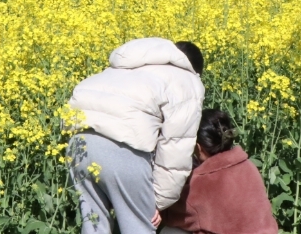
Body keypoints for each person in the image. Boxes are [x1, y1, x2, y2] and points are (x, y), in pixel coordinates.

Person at [65, 38, 205, 234]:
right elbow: (176, 148)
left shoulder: (129, 65)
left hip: (78, 144)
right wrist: (158, 200)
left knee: (94, 225)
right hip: (121, 151)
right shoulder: (186, 80)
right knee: (138, 226)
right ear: (195, 70)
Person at [160, 109, 278, 234]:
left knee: (171, 231)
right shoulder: (249, 166)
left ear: (198, 147)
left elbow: (171, 214)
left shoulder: (204, 181)